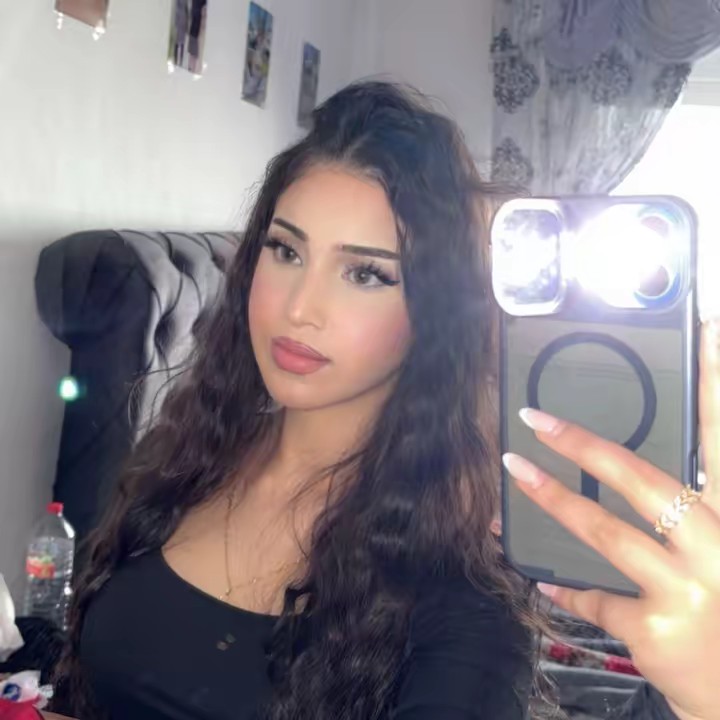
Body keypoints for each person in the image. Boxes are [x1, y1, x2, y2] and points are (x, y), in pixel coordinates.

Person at [50, 80, 720, 720]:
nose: (300, 308)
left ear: (435, 309)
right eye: (286, 251)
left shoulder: (461, 573)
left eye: (366, 273)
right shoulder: (182, 458)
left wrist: (701, 701)